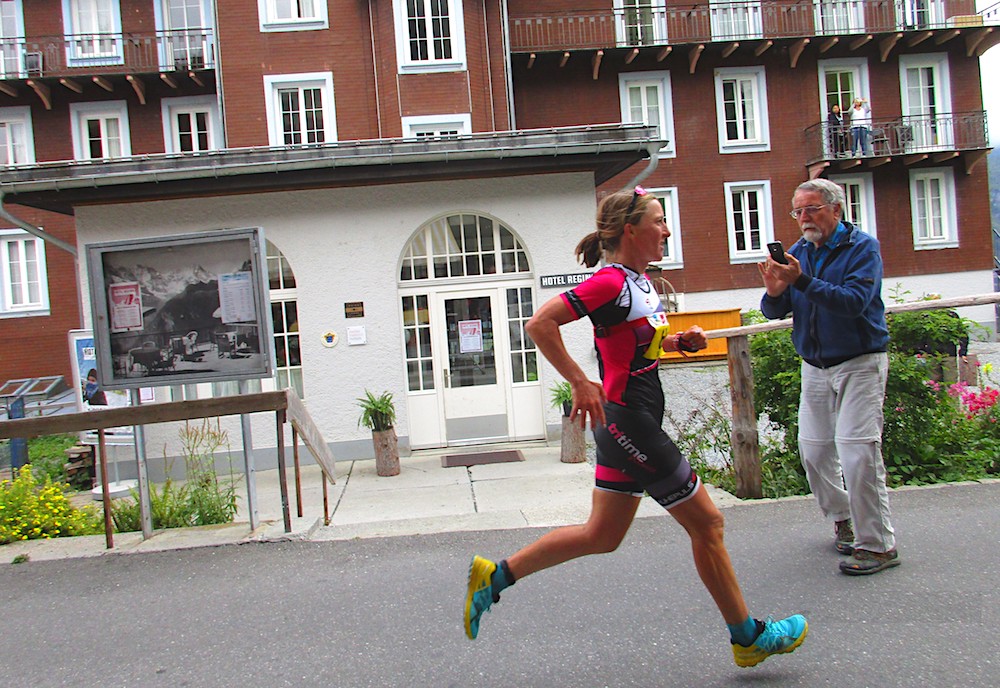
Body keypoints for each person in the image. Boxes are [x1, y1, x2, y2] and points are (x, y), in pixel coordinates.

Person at [464, 186, 808, 668]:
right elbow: (540, 323)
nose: (667, 230)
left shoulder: (640, 282)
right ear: (632, 229)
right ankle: (747, 636)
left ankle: (494, 577)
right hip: (628, 422)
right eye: (659, 220)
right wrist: (581, 382)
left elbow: (634, 347)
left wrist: (676, 343)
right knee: (707, 523)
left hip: (628, 421)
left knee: (602, 536)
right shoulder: (610, 283)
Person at [758, 178, 899, 576]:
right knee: (815, 451)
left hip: (860, 361)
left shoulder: (862, 249)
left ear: (836, 210)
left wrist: (800, 280)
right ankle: (844, 519)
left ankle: (879, 545)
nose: (804, 218)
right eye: (797, 211)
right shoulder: (799, 253)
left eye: (812, 209)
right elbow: (775, 311)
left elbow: (854, 303)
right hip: (815, 366)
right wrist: (773, 291)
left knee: (857, 453)